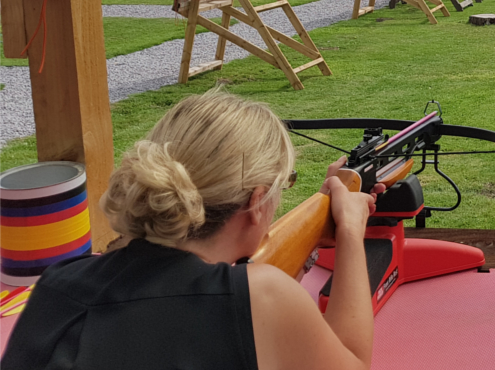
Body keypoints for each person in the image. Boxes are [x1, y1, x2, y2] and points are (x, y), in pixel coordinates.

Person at [2, 90, 383, 370]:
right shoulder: (261, 295)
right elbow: (352, 361)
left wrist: (313, 232)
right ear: (256, 201)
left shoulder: (60, 282)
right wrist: (350, 230)